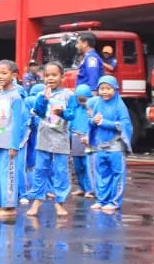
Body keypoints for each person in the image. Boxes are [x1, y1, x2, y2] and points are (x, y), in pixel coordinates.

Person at [25, 63, 78, 218]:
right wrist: (43, 99)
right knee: (40, 170)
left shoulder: (68, 95)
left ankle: (59, 202)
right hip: (44, 137)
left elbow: (72, 115)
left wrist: (62, 112)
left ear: (62, 77)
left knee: (61, 171)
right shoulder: (42, 93)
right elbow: (39, 113)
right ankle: (37, 200)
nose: (50, 78)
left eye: (54, 75)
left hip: (60, 139)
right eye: (47, 75)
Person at [0, 59, 29, 220]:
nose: (0, 76)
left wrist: (14, 145)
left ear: (14, 75)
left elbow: (17, 122)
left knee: (7, 173)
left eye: (4, 73)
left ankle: (9, 206)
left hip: (9, 142)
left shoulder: (15, 97)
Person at [87, 75, 133, 213]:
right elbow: (91, 121)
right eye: (102, 88)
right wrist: (93, 121)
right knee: (101, 174)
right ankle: (101, 200)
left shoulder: (120, 105)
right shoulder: (97, 104)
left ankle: (114, 202)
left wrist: (105, 123)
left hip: (115, 147)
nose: (105, 92)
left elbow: (125, 125)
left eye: (108, 88)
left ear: (115, 89)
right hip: (100, 146)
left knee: (117, 175)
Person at [70, 84, 94, 197]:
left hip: (87, 140)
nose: (82, 102)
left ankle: (90, 189)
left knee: (87, 165)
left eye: (84, 99)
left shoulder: (92, 110)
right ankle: (81, 187)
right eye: (79, 100)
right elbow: (70, 123)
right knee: (77, 166)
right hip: (75, 138)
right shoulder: (76, 109)